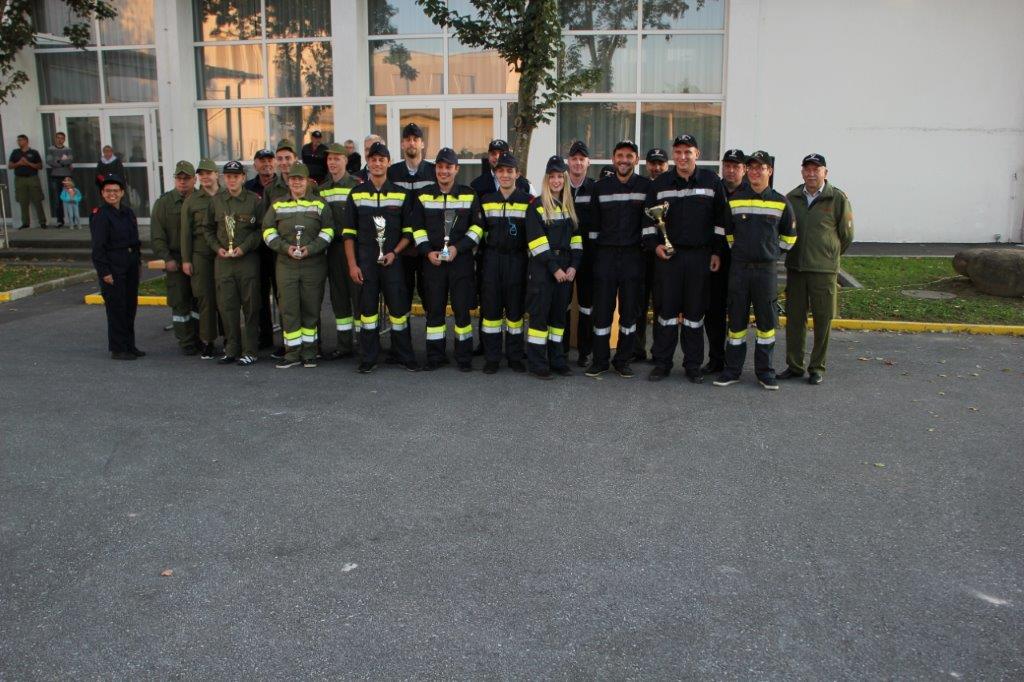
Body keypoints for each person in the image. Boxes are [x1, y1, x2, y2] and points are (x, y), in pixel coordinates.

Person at [644, 135, 731, 383]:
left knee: (694, 314)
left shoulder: (712, 182)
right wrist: (655, 246)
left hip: (699, 257)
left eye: (688, 152)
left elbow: (721, 222)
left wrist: (716, 252)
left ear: (697, 154)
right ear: (673, 154)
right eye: (678, 152)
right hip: (668, 258)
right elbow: (648, 221)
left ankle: (693, 365)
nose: (683, 157)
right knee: (666, 313)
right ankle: (662, 363)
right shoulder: (660, 183)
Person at [712, 151, 796, 390]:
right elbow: (728, 234)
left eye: (761, 168)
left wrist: (770, 253)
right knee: (736, 323)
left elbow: (790, 237)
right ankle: (732, 370)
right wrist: (741, 251)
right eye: (751, 168)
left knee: (766, 325)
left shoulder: (781, 202)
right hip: (739, 270)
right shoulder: (735, 200)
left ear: (770, 171)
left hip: (765, 271)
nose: (755, 172)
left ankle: (765, 372)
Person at [342, 141, 419, 374]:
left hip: (393, 262)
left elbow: (409, 232)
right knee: (367, 313)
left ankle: (404, 355)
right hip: (365, 263)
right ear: (368, 162)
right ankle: (369, 358)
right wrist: (352, 265)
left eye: (381, 160)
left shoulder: (401, 194)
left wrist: (395, 252)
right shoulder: (356, 194)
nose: (377, 163)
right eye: (373, 159)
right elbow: (348, 234)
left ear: (388, 163)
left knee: (398, 311)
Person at [780, 153, 855, 385]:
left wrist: (828, 254)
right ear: (802, 171)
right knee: (795, 320)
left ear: (825, 172)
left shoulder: (837, 198)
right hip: (796, 268)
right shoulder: (792, 197)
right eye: (808, 169)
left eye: (816, 169)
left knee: (822, 320)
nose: (812, 173)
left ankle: (817, 367)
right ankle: (794, 366)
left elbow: (846, 235)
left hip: (824, 271)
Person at [410, 147, 483, 372]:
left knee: (461, 310)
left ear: (456, 169)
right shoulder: (423, 196)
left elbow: (478, 228)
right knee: (434, 311)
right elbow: (417, 228)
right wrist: (427, 252)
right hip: (433, 262)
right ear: (436, 169)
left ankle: (464, 357)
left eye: (448, 167)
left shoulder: (469, 195)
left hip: (460, 262)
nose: (444, 171)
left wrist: (457, 248)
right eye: (440, 167)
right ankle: (435, 356)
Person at [585, 140, 651, 379]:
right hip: (606, 256)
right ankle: (600, 360)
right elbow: (593, 227)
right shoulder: (600, 187)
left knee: (629, 312)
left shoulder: (646, 187)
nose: (624, 160)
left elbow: (650, 224)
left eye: (629, 156)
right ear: (613, 159)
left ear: (637, 159)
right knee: (602, 311)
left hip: (634, 257)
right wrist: (594, 259)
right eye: (620, 155)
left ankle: (623, 360)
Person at [262, 162, 333, 369]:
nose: (296, 183)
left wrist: (311, 248)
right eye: (293, 179)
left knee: (311, 308)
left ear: (307, 181)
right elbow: (267, 230)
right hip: (286, 265)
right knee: (289, 308)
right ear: (289, 182)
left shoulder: (320, 204)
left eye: (300, 179)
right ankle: (292, 353)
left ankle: (310, 352)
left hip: (313, 264)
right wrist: (285, 248)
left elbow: (328, 230)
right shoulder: (277, 205)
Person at [524, 155, 583, 379]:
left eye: (560, 176)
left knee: (559, 319)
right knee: (539, 318)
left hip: (566, 269)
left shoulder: (569, 207)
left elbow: (576, 240)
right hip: (543, 270)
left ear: (565, 179)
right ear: (546, 179)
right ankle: (538, 363)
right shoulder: (537, 206)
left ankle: (557, 360)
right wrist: (554, 268)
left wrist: (574, 266)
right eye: (552, 177)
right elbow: (537, 243)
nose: (556, 181)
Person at [478, 152, 531, 374]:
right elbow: (478, 233)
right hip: (492, 259)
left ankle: (514, 356)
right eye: (501, 171)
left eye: (510, 171)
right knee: (491, 311)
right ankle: (492, 357)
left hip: (517, 260)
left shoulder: (528, 202)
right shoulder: (486, 201)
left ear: (517, 174)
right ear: (495, 174)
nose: (505, 175)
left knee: (515, 311)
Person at [207, 161, 264, 366]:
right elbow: (207, 229)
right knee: (227, 306)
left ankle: (250, 350)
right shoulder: (216, 201)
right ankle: (231, 348)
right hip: (223, 262)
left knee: (251, 307)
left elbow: (261, 230)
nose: (232, 180)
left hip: (247, 261)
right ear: (224, 178)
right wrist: (217, 248)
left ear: (243, 178)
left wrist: (245, 247)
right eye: (228, 176)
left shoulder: (254, 201)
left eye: (236, 176)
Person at [703, 148, 748, 375]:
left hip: (742, 261)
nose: (730, 170)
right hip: (717, 259)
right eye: (727, 166)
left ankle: (734, 362)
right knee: (714, 312)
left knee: (738, 312)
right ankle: (716, 359)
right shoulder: (714, 188)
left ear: (744, 169)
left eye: (735, 166)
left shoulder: (751, 192)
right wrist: (714, 252)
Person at [90, 174, 142, 360]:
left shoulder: (127, 212)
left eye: (115, 191)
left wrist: (137, 262)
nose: (112, 194)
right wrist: (104, 272)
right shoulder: (101, 215)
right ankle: (118, 348)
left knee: (129, 306)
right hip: (113, 266)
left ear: (122, 193)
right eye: (107, 191)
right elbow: (98, 248)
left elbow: (135, 240)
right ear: (102, 193)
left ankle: (130, 345)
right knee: (116, 309)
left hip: (129, 264)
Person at [150, 161, 200, 355]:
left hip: (198, 259)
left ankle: (201, 338)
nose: (182, 182)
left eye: (186, 178)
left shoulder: (202, 199)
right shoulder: (164, 203)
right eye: (179, 178)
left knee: (199, 302)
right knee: (180, 303)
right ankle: (186, 341)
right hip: (176, 260)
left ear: (194, 179)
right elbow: (157, 235)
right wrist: (167, 258)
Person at [258, 139, 301, 357]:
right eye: (281, 159)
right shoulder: (271, 189)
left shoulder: (307, 183)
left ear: (295, 159)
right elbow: (265, 222)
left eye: (288, 158)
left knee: (305, 299)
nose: (284, 162)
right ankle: (287, 342)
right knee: (283, 298)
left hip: (304, 252)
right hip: (280, 253)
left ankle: (312, 343)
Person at [388, 123, 436, 315]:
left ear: (422, 144)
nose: (411, 143)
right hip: (401, 245)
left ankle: (433, 333)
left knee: (430, 294)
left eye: (415, 139)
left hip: (427, 245)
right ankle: (403, 335)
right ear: (402, 144)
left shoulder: (433, 171)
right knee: (402, 295)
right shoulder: (392, 172)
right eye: (407, 139)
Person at [319, 142, 361, 360]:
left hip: (355, 248)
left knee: (359, 296)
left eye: (337, 158)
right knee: (339, 297)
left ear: (346, 160)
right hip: (334, 250)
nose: (332, 162)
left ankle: (364, 344)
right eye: (329, 159)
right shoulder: (322, 189)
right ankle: (344, 345)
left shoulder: (357, 185)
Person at [180, 158, 223, 359]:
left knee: (227, 298)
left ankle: (231, 338)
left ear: (216, 175)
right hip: (201, 254)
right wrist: (186, 260)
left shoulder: (226, 195)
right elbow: (185, 233)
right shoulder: (192, 200)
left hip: (224, 254)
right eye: (201, 174)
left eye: (208, 173)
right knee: (205, 299)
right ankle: (208, 341)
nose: (205, 177)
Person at [634, 147, 670, 362]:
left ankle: (659, 352)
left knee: (661, 305)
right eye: (652, 163)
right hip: (641, 255)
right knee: (638, 304)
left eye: (660, 163)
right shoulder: (641, 186)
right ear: (646, 165)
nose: (656, 167)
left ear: (667, 165)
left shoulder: (671, 186)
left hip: (664, 256)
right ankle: (637, 350)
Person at [566, 140, 596, 367]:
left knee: (587, 306)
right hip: (564, 257)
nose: (577, 163)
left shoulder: (595, 189)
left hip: (588, 257)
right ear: (568, 161)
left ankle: (585, 352)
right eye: (574, 158)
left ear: (588, 162)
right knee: (563, 305)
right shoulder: (558, 186)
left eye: (581, 159)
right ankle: (561, 351)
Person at [8, 135, 46, 230]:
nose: (19, 142)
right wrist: (19, 163)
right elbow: (10, 166)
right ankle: (25, 223)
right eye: (18, 140)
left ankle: (42, 222)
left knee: (37, 200)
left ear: (26, 141)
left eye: (20, 140)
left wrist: (28, 163)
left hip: (32, 178)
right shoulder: (15, 152)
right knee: (23, 201)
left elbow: (40, 166)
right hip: (20, 179)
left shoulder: (34, 152)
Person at [46, 132, 74, 228]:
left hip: (67, 176)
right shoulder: (51, 149)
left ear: (64, 139)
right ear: (55, 138)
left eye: (62, 138)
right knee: (58, 199)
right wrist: (63, 163)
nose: (60, 139)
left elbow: (70, 160)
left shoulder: (68, 149)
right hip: (55, 176)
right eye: (58, 138)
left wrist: (58, 161)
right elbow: (49, 161)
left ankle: (72, 220)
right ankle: (60, 221)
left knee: (71, 198)